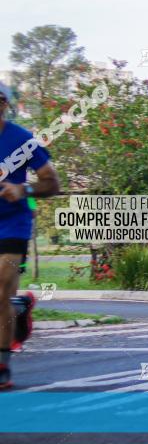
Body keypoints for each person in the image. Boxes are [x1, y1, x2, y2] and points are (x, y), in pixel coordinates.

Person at [0, 83, 60, 389]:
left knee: (0, 287)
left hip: (13, 224)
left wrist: (22, 189)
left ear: (5, 105)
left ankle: (2, 367)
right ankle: (19, 308)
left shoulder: (23, 140)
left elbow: (52, 183)